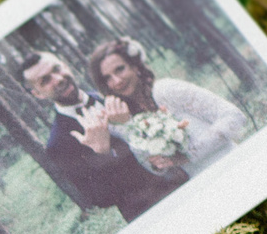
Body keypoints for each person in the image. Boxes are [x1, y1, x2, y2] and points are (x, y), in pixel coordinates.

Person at [17, 51, 186, 222]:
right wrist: (103, 154)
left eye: (57, 69)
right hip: (150, 213)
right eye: (45, 80)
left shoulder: (112, 93)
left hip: (184, 181)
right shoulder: (58, 144)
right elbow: (101, 200)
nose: (58, 79)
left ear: (66, 66)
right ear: (37, 93)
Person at [86, 38, 254, 176]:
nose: (116, 81)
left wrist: (189, 155)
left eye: (120, 69)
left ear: (135, 66)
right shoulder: (128, 117)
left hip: (234, 166)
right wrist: (128, 126)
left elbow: (234, 116)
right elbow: (157, 169)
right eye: (107, 78)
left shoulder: (166, 90)